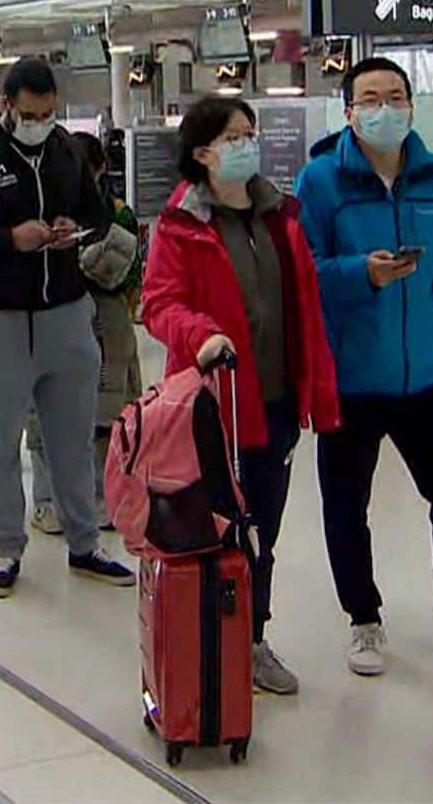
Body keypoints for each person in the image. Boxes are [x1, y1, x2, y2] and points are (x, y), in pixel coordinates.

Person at [293, 56, 433, 676]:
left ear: (412, 104)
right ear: (349, 110)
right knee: (345, 505)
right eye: (370, 98)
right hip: (351, 380)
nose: (384, 108)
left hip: (429, 379)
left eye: (396, 95)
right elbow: (304, 275)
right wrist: (361, 273)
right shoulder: (320, 182)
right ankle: (363, 620)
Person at [140, 98, 342, 696]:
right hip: (215, 405)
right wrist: (200, 335)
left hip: (276, 400)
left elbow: (303, 301)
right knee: (214, 526)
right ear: (203, 153)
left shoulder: (282, 217)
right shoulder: (181, 226)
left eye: (249, 134)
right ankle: (209, 637)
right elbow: (158, 304)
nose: (246, 145)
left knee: (263, 527)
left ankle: (251, 640)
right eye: (233, 137)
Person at [0, 57, 134, 597]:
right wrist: (5, 239)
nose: (39, 121)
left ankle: (85, 543)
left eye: (47, 112)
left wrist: (75, 229)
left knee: (75, 436)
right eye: (29, 114)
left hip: (66, 311)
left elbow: (99, 215)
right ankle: (6, 547)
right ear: (5, 107)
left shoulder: (65, 150)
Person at [25, 131, 142, 533]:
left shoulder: (117, 212)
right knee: (43, 416)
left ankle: (99, 496)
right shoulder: (35, 207)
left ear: (99, 169)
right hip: (47, 321)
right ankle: (45, 501)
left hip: (107, 327)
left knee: (102, 419)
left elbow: (127, 274)